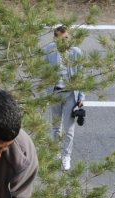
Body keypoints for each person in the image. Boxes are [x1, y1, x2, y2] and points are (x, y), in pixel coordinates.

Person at [44, 24, 85, 171]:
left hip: (70, 94)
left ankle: (66, 156)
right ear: (55, 39)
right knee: (56, 127)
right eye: (61, 39)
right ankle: (55, 153)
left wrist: (81, 97)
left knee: (68, 130)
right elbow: (45, 72)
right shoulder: (49, 50)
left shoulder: (76, 52)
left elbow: (81, 75)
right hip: (55, 93)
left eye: (66, 37)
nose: (65, 41)